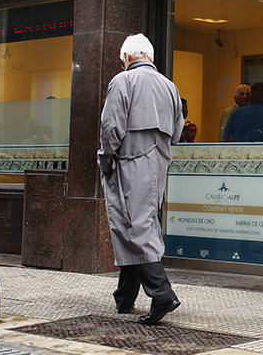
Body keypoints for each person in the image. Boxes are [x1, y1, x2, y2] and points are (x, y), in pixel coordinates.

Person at [98, 33, 184, 326]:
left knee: (133, 226)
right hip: (158, 164)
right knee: (139, 223)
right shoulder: (169, 86)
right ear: (150, 56)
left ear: (126, 57)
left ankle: (162, 294)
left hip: (130, 163)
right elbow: (178, 129)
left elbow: (111, 127)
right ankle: (124, 298)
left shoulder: (123, 81)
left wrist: (105, 159)